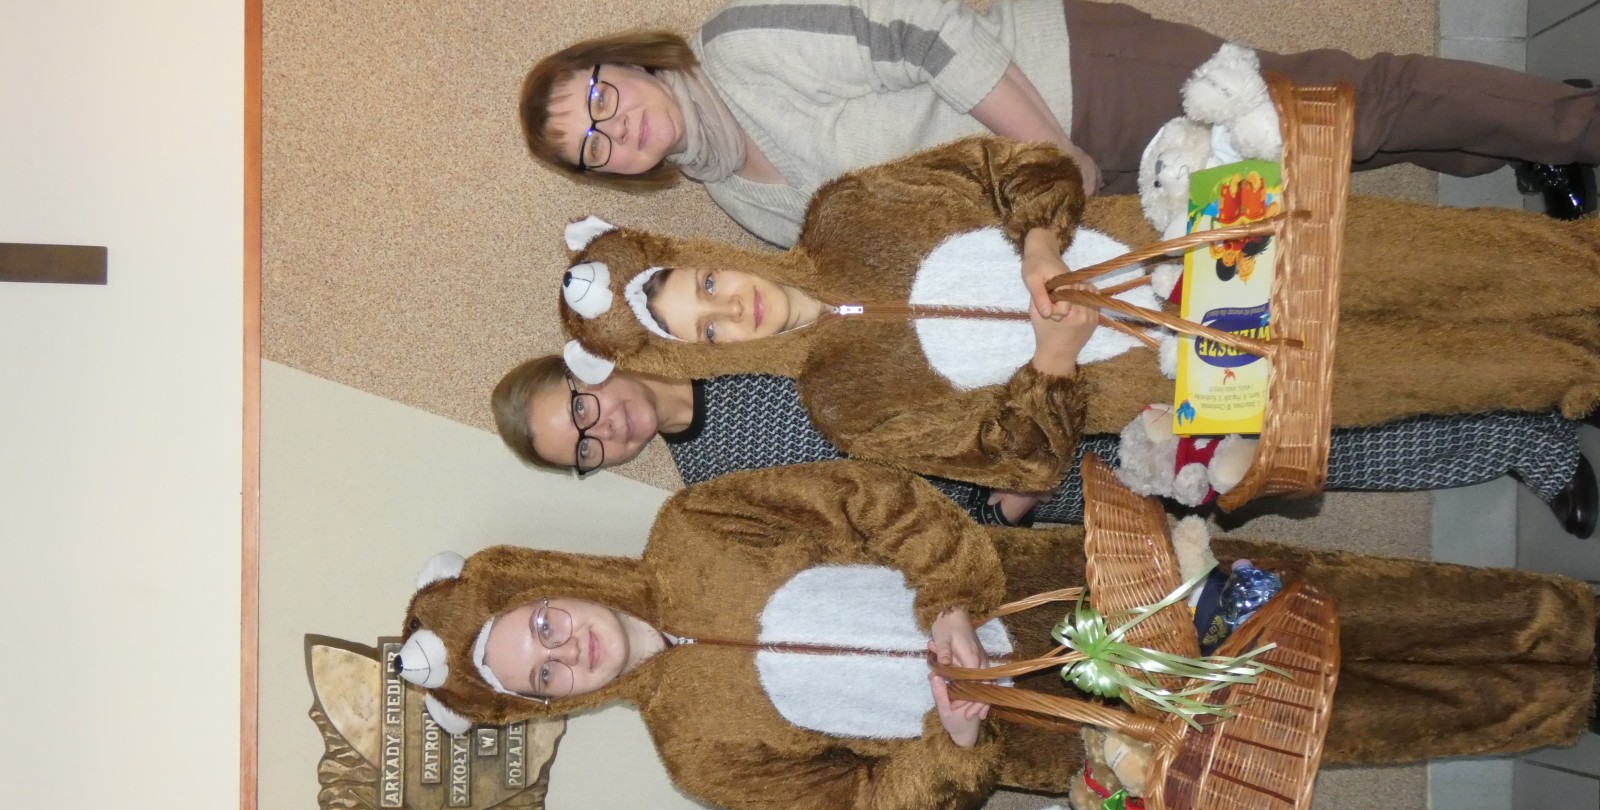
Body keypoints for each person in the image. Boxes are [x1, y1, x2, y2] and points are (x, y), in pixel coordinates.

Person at [391, 461, 1594, 810]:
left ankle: (1570, 625)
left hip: (1074, 585)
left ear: (545, 584)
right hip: (1067, 735)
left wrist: (951, 596)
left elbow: (871, 498)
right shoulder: (698, 757)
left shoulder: (695, 525)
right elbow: (868, 809)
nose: (565, 648)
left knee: (1350, 607)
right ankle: (1563, 710)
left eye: (538, 624)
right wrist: (948, 743)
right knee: (1324, 724)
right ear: (546, 702)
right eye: (541, 673)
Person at [556, 137, 1600, 501]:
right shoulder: (846, 405)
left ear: (712, 257)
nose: (729, 309)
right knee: (1446, 372)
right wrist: (1053, 367)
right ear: (701, 355)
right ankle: (1577, 375)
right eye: (704, 330)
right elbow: (1018, 464)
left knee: (1457, 263)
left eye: (705, 285)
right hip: (1196, 382)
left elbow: (1023, 166)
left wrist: (1040, 243)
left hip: (1196, 240)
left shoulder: (851, 209)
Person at [519, 0, 1600, 247]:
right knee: (1305, 164)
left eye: (599, 100)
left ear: (628, 61)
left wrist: (1050, 146)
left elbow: (926, 24)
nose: (615, 132)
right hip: (1070, 193)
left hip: (1073, 80)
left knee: (1338, 104)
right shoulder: (741, 204)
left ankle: (1572, 123)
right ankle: (1508, 146)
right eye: (592, 149)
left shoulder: (738, 47)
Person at [491, 352, 1599, 533]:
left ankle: (1542, 372)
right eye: (579, 451)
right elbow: (891, 525)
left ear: (592, 369)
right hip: (1053, 480)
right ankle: (1525, 445)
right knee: (1294, 464)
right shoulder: (717, 485)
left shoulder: (722, 324)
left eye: (579, 409)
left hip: (1062, 370)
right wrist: (1008, 502)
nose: (602, 432)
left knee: (1301, 384)